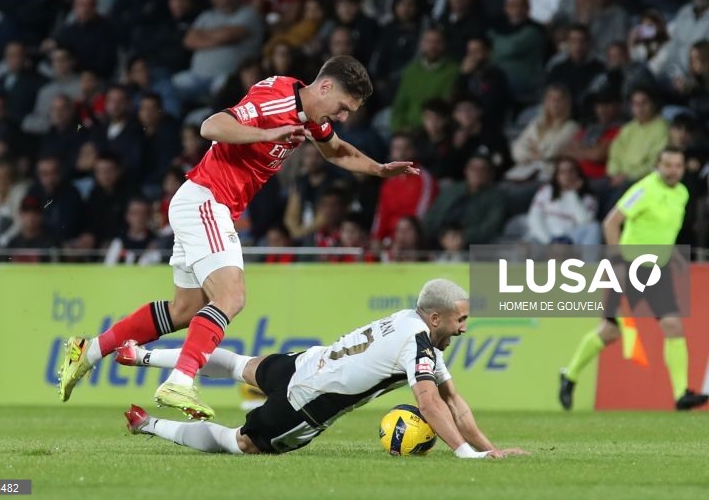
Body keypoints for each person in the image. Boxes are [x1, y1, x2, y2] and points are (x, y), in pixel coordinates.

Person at [58, 55, 418, 420]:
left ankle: (87, 351)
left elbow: (336, 150)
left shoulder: (310, 116)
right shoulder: (277, 99)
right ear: (325, 87)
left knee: (184, 310)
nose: (342, 117)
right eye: (342, 107)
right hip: (207, 199)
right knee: (231, 295)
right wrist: (267, 133)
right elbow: (211, 126)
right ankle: (180, 380)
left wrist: (377, 168)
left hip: (203, 203)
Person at [119, 279, 527, 458]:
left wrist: (488, 451)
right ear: (436, 318)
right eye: (460, 320)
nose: (464, 328)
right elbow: (432, 403)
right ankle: (147, 425)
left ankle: (140, 356)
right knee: (240, 443)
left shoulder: (410, 321)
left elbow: (455, 400)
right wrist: (464, 454)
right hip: (306, 403)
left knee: (240, 364)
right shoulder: (418, 342)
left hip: (306, 361)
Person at [559, 148, 709, 411]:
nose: (673, 170)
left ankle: (681, 394)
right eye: (668, 165)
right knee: (610, 331)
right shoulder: (644, 190)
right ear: (657, 165)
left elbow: (660, 230)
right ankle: (569, 375)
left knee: (673, 325)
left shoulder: (682, 193)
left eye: (678, 165)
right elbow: (610, 223)